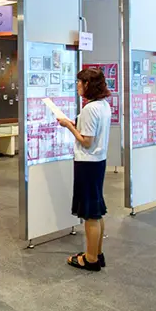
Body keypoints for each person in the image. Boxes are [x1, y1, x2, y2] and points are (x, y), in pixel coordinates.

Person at [58, 67, 111, 271]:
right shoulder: (103, 105)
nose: (77, 86)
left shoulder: (90, 109)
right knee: (96, 210)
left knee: (90, 213)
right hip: (98, 161)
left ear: (87, 84)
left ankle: (90, 259)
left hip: (87, 163)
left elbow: (86, 141)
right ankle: (97, 253)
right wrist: (76, 125)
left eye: (79, 82)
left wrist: (69, 126)